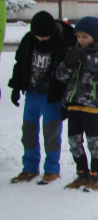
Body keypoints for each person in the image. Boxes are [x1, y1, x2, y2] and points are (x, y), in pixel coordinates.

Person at [8, 11, 76, 184]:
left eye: (42, 37)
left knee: (51, 134)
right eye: (36, 35)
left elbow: (70, 76)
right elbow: (20, 63)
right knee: (28, 132)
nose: (39, 39)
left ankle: (52, 170)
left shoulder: (64, 43)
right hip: (32, 94)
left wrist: (66, 102)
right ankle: (29, 168)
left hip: (52, 97)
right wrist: (16, 87)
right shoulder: (29, 39)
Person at [53, 17, 98, 191]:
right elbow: (60, 75)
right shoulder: (73, 51)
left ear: (94, 37)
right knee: (74, 142)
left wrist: (86, 60)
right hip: (73, 104)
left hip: (91, 106)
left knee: (92, 141)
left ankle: (97, 176)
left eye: (84, 37)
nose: (80, 40)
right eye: (78, 36)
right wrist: (68, 62)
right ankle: (82, 173)